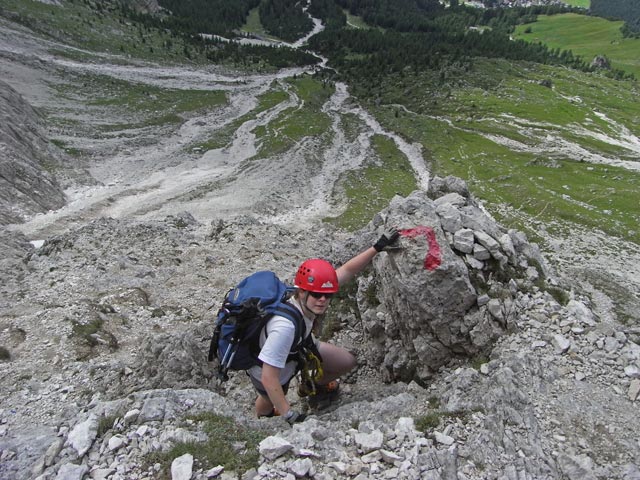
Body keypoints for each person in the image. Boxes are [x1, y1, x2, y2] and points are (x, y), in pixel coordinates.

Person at [248, 229, 399, 424]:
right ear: (302, 292)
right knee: (271, 396)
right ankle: (262, 421)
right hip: (269, 365)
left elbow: (347, 271)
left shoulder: (303, 296)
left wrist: (377, 247)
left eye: (327, 295)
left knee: (346, 361)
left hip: (298, 346)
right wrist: (289, 414)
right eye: (316, 295)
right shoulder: (285, 328)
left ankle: (316, 388)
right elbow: (269, 377)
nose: (322, 300)